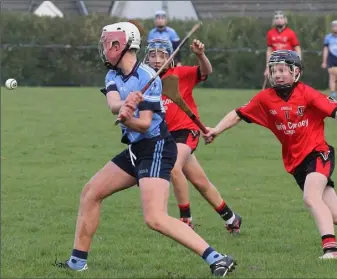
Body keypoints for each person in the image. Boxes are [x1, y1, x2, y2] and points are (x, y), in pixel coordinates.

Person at [55, 22, 236, 277]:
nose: (106, 48)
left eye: (110, 43)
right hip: (135, 149)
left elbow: (144, 125)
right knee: (91, 192)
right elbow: (112, 103)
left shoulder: (148, 78)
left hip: (156, 147)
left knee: (155, 218)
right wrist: (124, 106)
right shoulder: (113, 75)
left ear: (124, 45)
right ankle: (77, 262)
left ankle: (217, 258)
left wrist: (129, 117)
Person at [203, 50, 337, 260]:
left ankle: (331, 250)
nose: (277, 74)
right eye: (274, 70)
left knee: (311, 198)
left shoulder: (307, 93)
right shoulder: (265, 98)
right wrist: (216, 130)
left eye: (283, 70)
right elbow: (237, 114)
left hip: (318, 154)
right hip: (296, 164)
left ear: (296, 73)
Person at [144, 38, 242, 232]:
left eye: (162, 55)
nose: (157, 59)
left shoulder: (180, 74)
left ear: (170, 57)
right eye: (153, 55)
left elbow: (206, 71)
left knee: (173, 167)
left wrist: (200, 55)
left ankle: (186, 219)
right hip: (166, 135)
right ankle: (231, 218)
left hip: (186, 131)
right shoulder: (145, 81)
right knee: (200, 182)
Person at [264, 11, 301, 78]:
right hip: (275, 62)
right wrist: (267, 67)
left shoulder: (290, 33)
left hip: (288, 62)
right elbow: (269, 51)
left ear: (285, 20)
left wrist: (298, 63)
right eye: (277, 18)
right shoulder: (270, 33)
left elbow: (297, 49)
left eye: (281, 18)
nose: (279, 20)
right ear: (274, 21)